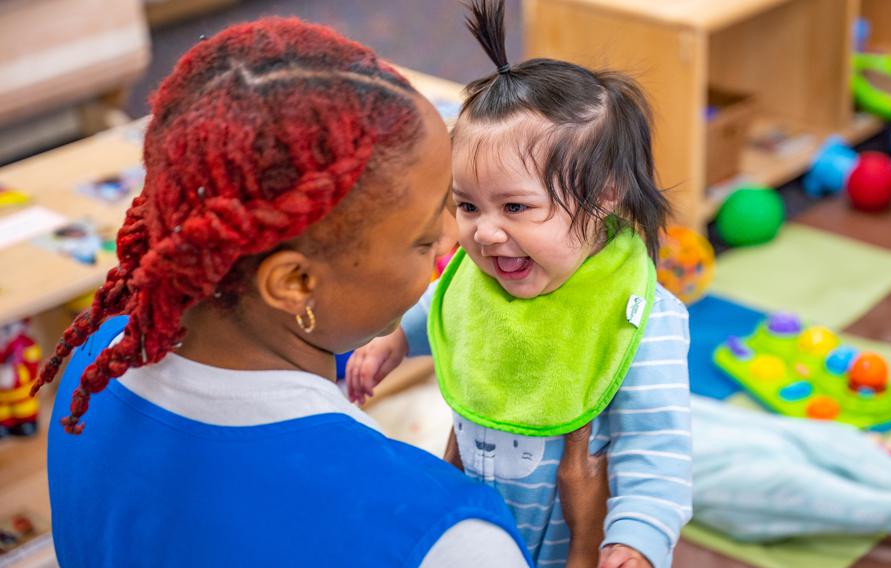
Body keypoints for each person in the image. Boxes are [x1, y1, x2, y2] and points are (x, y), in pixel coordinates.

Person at [35, 18, 606, 568]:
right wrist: (586, 540)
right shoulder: (446, 538)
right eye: (420, 237)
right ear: (294, 283)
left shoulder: (96, 360)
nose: (452, 240)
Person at [347, 2, 693, 567]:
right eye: (466, 204)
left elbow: (657, 446)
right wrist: (394, 343)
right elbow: (444, 304)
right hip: (478, 523)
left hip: (567, 544)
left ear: (604, 195)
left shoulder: (641, 318)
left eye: (515, 206)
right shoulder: (479, 278)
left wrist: (636, 538)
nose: (484, 232)